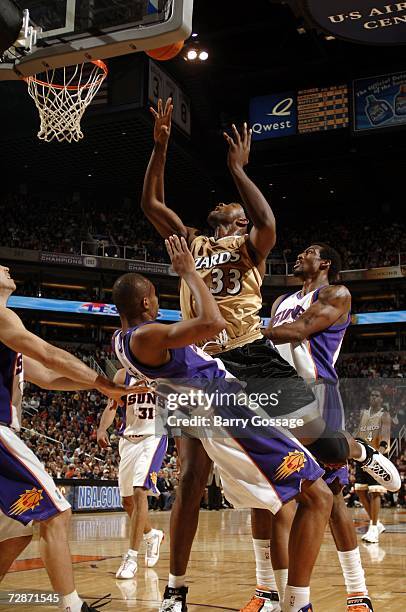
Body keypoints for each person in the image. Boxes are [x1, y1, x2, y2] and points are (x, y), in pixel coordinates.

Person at [141, 100, 400, 612]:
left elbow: (266, 218)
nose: (235, 217)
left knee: (323, 448)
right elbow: (151, 204)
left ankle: (360, 453)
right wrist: (160, 147)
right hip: (200, 366)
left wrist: (239, 170)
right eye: (230, 216)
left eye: (238, 214)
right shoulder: (190, 244)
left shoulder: (253, 247)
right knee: (191, 476)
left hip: (251, 355)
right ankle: (177, 587)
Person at [111, 235, 335, 612]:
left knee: (272, 497)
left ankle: (187, 592)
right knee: (318, 496)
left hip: (208, 409)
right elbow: (213, 321)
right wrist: (189, 274)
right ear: (147, 302)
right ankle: (297, 604)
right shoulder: (148, 335)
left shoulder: (122, 341)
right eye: (156, 297)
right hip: (226, 412)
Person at [242, 244, 375, 612]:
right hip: (278, 395)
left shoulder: (335, 294)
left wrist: (249, 332)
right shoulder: (281, 300)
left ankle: (357, 591)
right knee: (262, 494)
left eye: (309, 252)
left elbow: (301, 329)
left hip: (318, 394)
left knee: (329, 501)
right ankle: (267, 590)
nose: (299, 255)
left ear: (326, 262)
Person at [0, 265, 132, 612]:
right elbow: (51, 355)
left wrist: (110, 389)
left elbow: (47, 376)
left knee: (13, 532)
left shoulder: (6, 329)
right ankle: (72, 606)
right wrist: (105, 383)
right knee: (56, 514)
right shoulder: (1, 316)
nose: (7, 267)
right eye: (0, 266)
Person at [97, 368, 165, 579]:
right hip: (128, 440)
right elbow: (112, 405)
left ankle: (131, 558)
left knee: (139, 491)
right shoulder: (122, 376)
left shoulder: (165, 373)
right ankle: (151, 534)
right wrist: (102, 428)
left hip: (153, 437)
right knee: (127, 502)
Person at [355, 389, 392, 544]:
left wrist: (380, 456)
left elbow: (384, 437)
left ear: (382, 399)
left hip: (376, 457)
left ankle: (374, 527)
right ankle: (377, 524)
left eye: (377, 395)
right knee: (360, 491)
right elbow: (357, 434)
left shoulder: (384, 415)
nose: (374, 397)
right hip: (361, 456)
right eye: (372, 395)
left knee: (375, 492)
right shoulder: (363, 414)